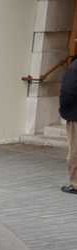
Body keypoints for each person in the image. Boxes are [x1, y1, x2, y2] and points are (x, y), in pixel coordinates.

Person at [59, 58, 77, 194]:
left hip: (75, 115)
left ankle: (76, 184)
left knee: (75, 151)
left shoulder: (74, 67)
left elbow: (68, 91)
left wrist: (64, 109)